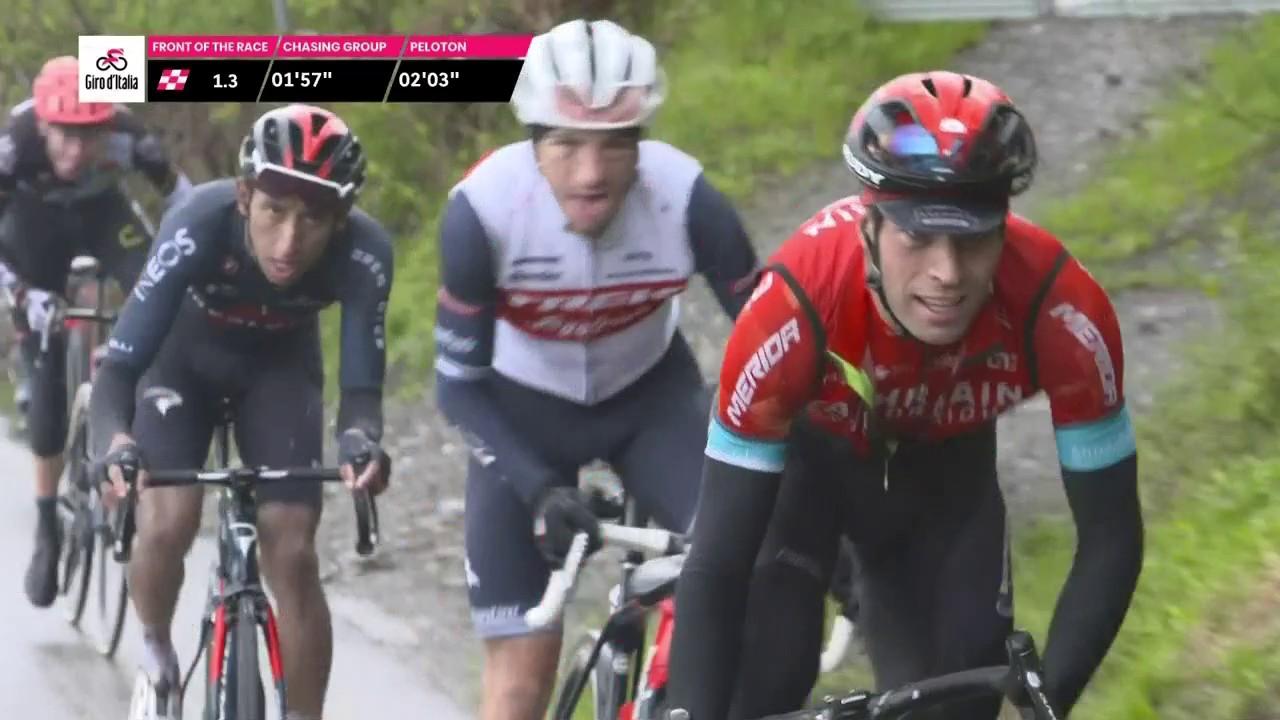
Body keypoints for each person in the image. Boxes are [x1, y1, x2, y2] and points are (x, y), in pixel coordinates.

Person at [665, 70, 1144, 719]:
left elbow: (1111, 535)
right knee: (761, 682)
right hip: (804, 478)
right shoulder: (794, 306)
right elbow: (718, 564)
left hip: (944, 488)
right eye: (917, 238)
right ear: (869, 229)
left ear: (1005, 228)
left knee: (957, 707)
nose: (946, 273)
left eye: (973, 239)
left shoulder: (1061, 310)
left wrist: (1048, 701)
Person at [432, 18, 761, 720]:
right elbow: (456, 385)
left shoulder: (688, 198)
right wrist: (539, 489)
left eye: (615, 144)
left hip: (651, 401)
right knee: (520, 686)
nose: (591, 172)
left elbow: (775, 347)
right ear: (532, 141)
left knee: (741, 576)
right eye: (567, 143)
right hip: (520, 411)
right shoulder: (483, 212)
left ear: (641, 140)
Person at [90, 103, 392, 720]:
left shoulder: (365, 253)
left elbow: (361, 393)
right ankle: (155, 652)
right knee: (169, 518)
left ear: (340, 221)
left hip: (279, 370)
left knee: (293, 549)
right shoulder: (196, 221)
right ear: (244, 196)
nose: (288, 242)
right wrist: (116, 443)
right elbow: (119, 368)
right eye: (273, 212)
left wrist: (362, 444)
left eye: (313, 220)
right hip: (180, 363)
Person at [1, 55, 191, 609]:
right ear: (43, 125)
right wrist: (22, 296)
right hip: (33, 230)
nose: (76, 151)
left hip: (103, 214)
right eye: (65, 136)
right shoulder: (15, 146)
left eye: (89, 137)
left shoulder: (131, 139)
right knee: (46, 382)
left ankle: (135, 398)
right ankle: (46, 529)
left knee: (156, 284)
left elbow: (188, 205)